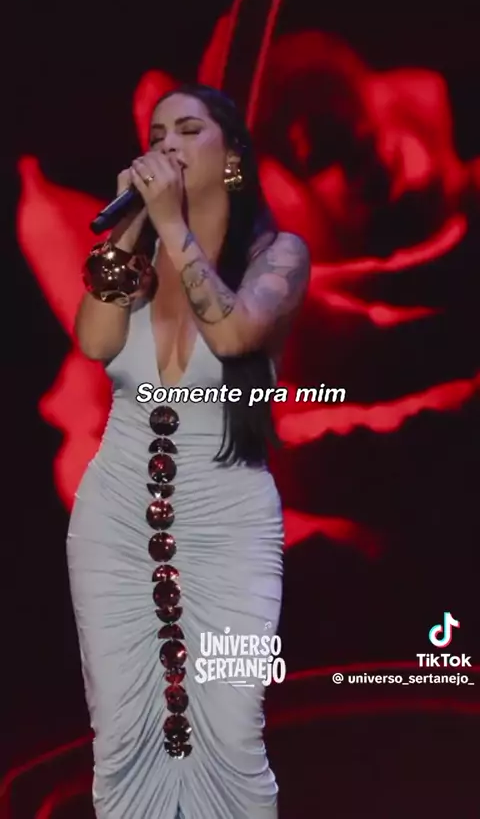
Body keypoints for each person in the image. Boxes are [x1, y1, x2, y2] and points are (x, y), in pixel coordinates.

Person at [67, 83, 310, 819]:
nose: (167, 145)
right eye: (155, 134)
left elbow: (234, 335)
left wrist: (173, 222)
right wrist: (131, 227)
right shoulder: (138, 255)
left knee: (232, 732)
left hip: (229, 519)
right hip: (114, 518)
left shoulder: (277, 256)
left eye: (188, 130)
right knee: (122, 737)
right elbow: (95, 341)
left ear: (232, 155)